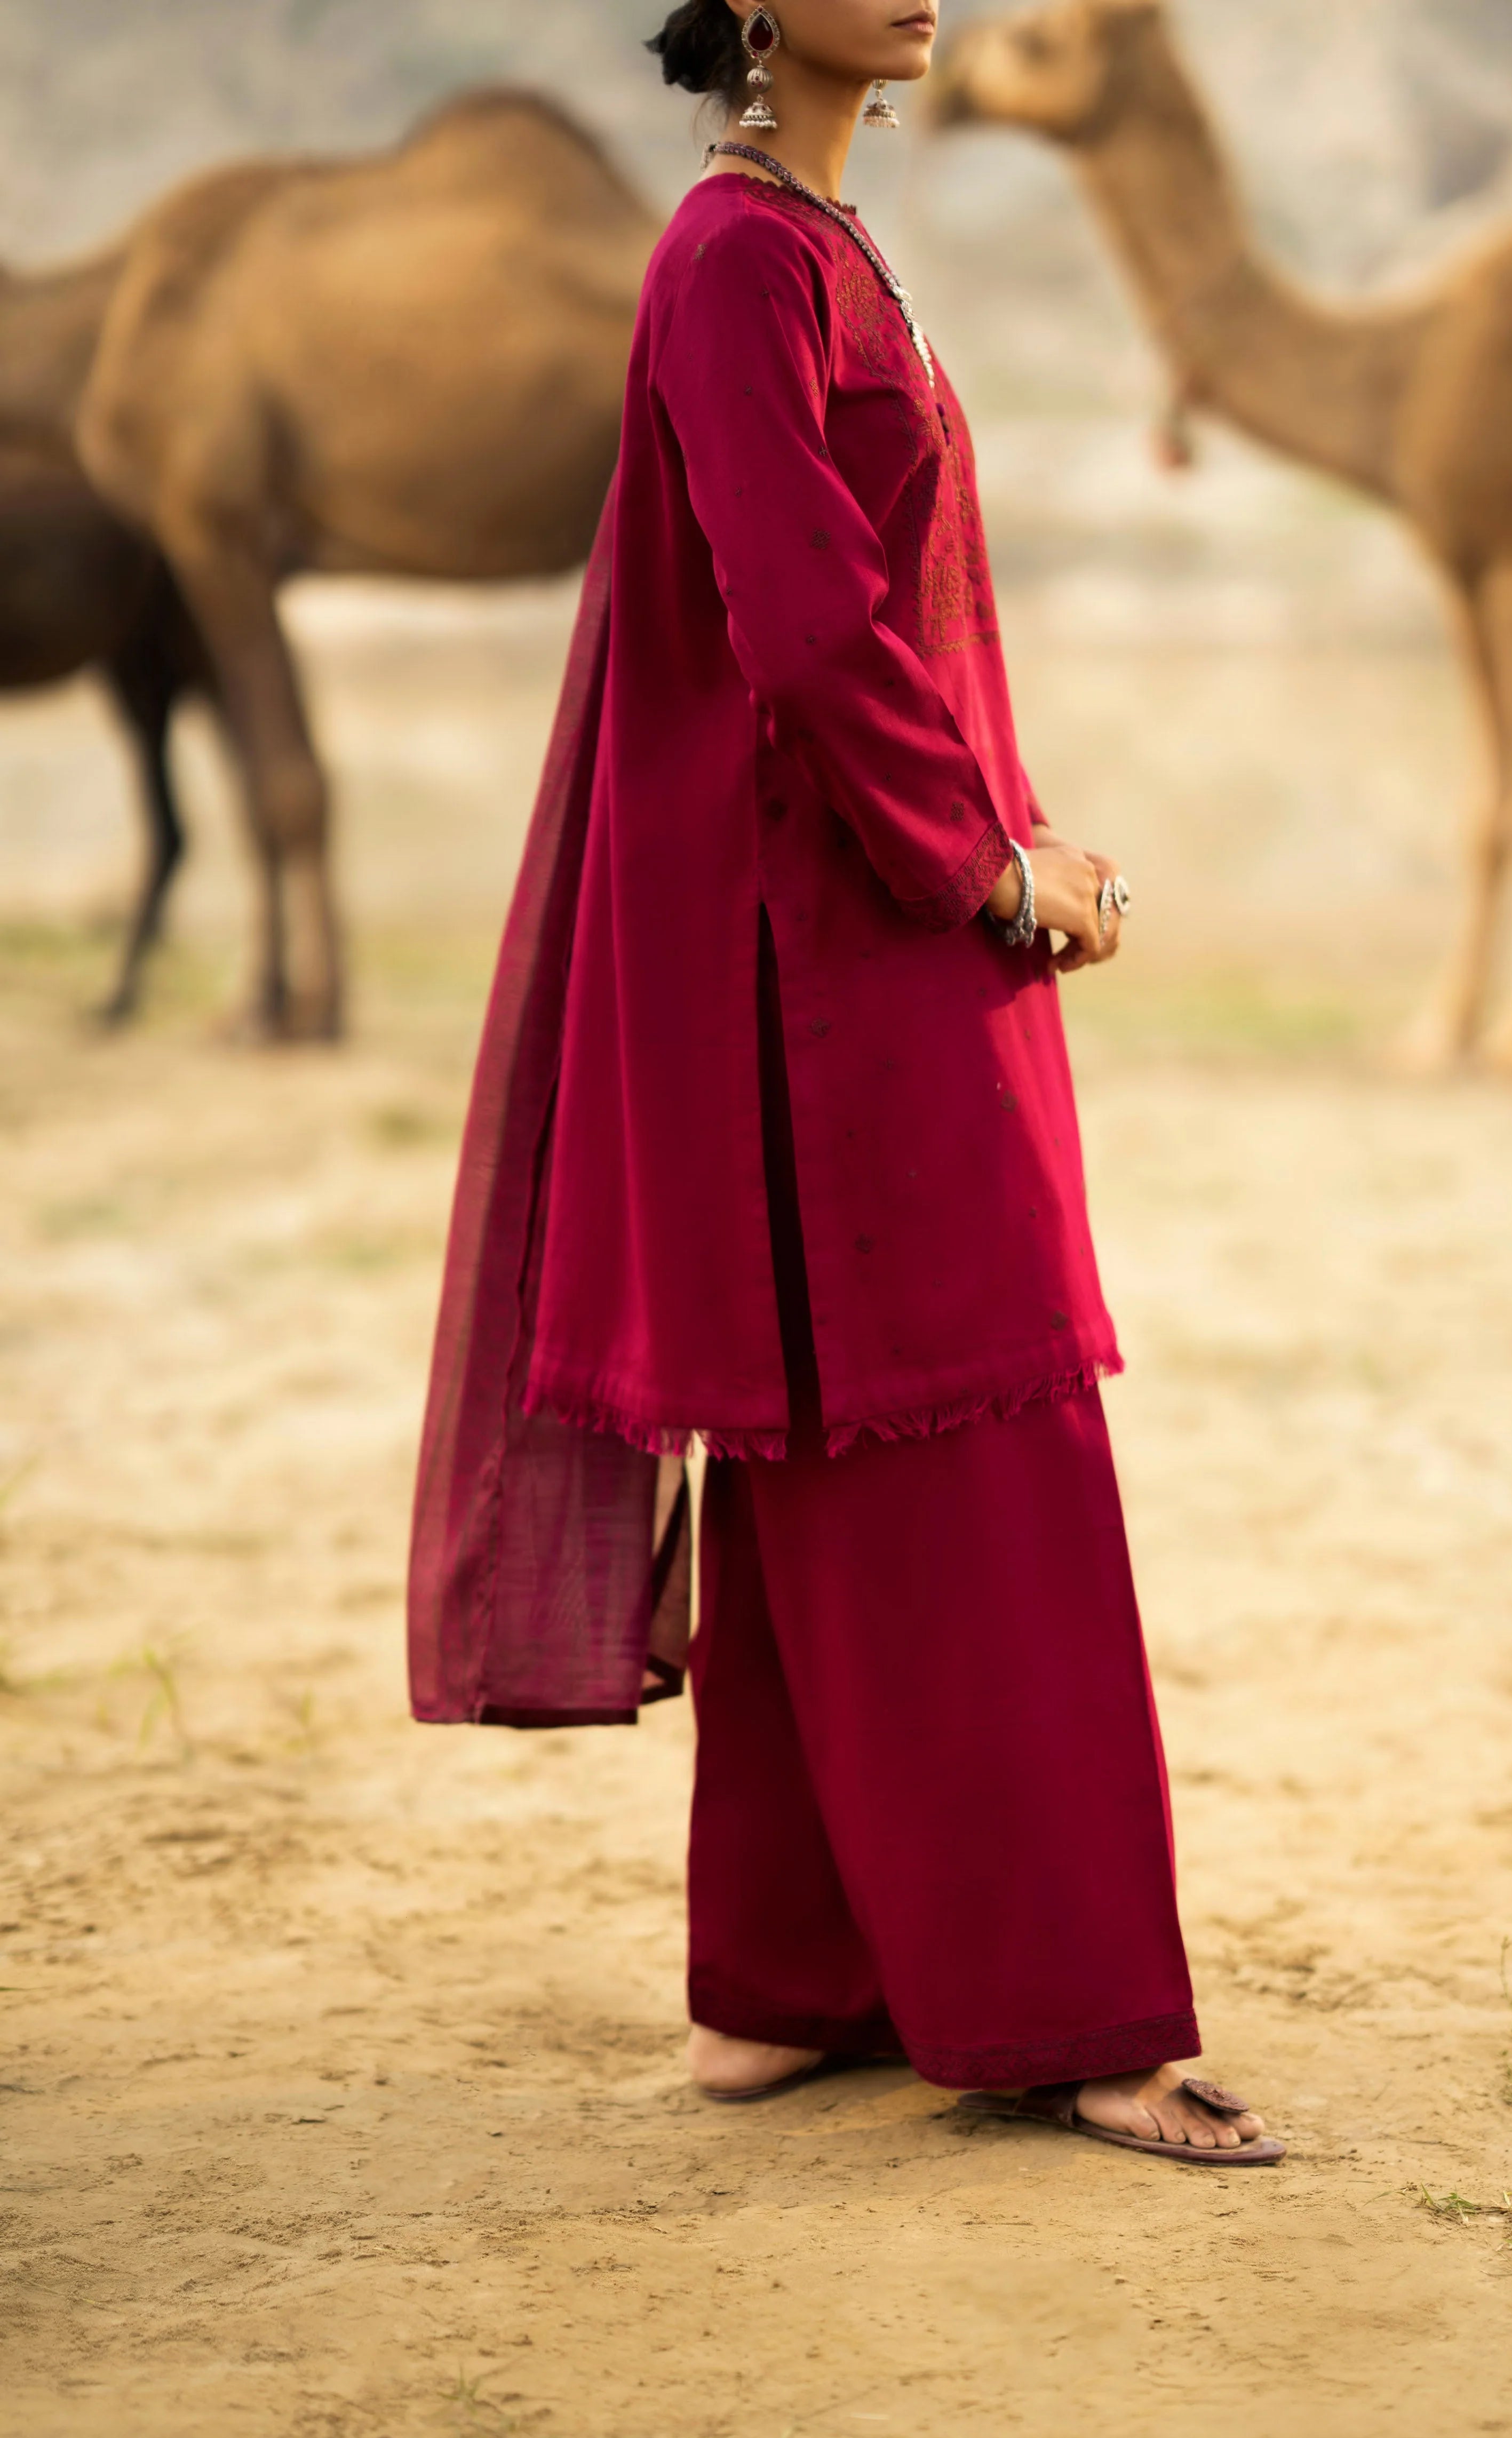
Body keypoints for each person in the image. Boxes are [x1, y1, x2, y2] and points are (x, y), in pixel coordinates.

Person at [407, 0, 1283, 2166]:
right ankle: (1076, 2014)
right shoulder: (732, 260)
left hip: (856, 910)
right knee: (997, 1447)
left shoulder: (816, 239)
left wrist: (1004, 824)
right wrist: (986, 864)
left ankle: (787, 1984)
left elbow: (888, 613)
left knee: (834, 1443)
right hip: (837, 947)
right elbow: (801, 624)